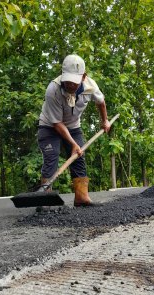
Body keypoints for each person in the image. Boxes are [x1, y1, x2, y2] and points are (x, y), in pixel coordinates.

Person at [38, 54, 111, 206]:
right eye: (68, 81)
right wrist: (73, 144)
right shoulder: (53, 89)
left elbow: (101, 102)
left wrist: (105, 121)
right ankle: (45, 199)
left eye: (74, 81)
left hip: (72, 127)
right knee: (52, 157)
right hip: (50, 126)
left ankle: (81, 197)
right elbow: (57, 123)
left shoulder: (91, 86)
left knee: (78, 159)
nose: (70, 85)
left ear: (83, 77)